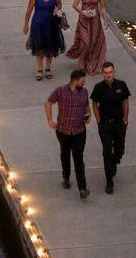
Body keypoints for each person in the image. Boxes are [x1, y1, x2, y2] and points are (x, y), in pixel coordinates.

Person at [45, 69, 90, 199]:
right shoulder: (60, 91)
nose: (84, 83)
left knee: (78, 159)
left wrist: (88, 115)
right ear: (74, 80)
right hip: (63, 131)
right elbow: (48, 103)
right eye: (82, 81)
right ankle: (66, 176)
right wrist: (50, 120)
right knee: (65, 154)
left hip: (79, 131)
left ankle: (82, 188)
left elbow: (86, 106)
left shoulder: (85, 92)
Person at [91, 61, 131, 194]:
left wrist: (125, 119)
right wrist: (98, 120)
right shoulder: (98, 87)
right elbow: (95, 104)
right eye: (106, 73)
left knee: (120, 149)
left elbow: (125, 102)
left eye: (110, 72)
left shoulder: (122, 85)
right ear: (102, 73)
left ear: (114, 72)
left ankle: (115, 162)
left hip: (119, 123)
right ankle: (109, 182)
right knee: (107, 151)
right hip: (105, 124)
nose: (108, 75)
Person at [23, 0, 65, 81]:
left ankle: (48, 68)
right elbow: (29, 11)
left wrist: (58, 8)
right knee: (39, 47)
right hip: (38, 24)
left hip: (52, 24)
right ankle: (39, 69)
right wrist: (25, 24)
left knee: (50, 48)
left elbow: (60, 4)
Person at [66, 0, 107, 74]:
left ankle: (90, 63)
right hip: (84, 20)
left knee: (94, 41)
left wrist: (105, 19)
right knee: (86, 42)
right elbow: (74, 4)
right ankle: (82, 62)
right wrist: (82, 12)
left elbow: (102, 7)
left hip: (95, 20)